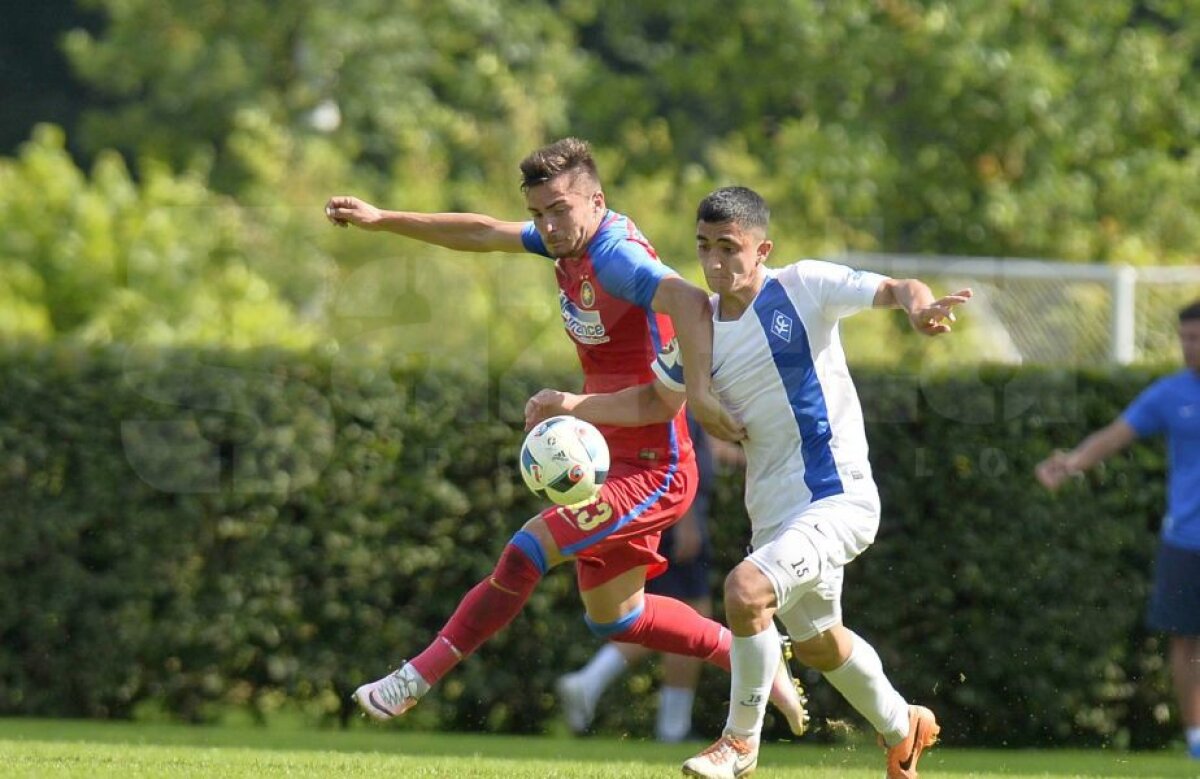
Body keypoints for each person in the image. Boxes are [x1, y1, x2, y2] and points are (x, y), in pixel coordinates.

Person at [323, 139, 806, 733]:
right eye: (538, 214)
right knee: (617, 619)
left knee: (528, 548)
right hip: (609, 453)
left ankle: (415, 678)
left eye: (559, 210)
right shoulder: (567, 241)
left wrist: (698, 394)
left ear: (595, 202)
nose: (548, 226)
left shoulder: (614, 257)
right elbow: (481, 232)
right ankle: (752, 656)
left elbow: (686, 297)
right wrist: (384, 219)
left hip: (656, 465)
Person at [524, 186, 971, 779]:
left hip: (838, 496)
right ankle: (901, 725)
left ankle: (739, 744)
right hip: (773, 508)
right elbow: (656, 401)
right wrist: (573, 404)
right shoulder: (700, 330)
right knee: (818, 643)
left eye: (729, 248)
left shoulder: (803, 285)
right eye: (703, 247)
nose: (713, 264)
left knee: (744, 590)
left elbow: (895, 289)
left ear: (763, 249)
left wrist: (918, 309)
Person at [1035, 301, 1200, 761]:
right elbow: (1113, 436)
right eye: (1185, 337)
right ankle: (1196, 741)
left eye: (1198, 338)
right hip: (1185, 540)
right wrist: (1071, 463)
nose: (1190, 346)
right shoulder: (1170, 394)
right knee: (1186, 639)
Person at [555, 415, 749, 742]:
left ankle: (592, 684)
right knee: (687, 620)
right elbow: (673, 456)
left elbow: (701, 446)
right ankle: (668, 726)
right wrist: (687, 521)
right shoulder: (676, 389)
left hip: (673, 514)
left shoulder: (682, 392)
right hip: (678, 516)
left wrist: (750, 459)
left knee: (667, 619)